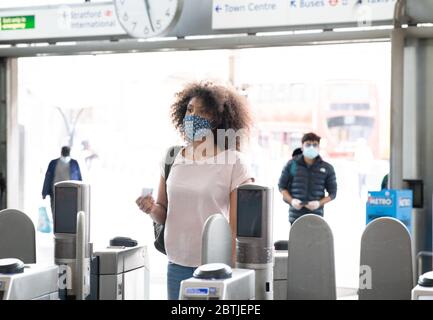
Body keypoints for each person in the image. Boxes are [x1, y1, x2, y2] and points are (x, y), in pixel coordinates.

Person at [135, 81, 254, 300]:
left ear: (218, 119)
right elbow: (163, 212)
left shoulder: (234, 162)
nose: (193, 116)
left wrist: (234, 274)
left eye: (203, 112)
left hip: (215, 268)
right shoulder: (172, 157)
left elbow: (237, 229)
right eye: (189, 110)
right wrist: (151, 208)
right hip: (176, 264)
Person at [278, 132, 337, 224]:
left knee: (315, 238)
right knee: (295, 238)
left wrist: (319, 203)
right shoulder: (292, 165)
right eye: (308, 144)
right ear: (302, 147)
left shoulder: (327, 168)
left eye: (315, 145)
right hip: (295, 217)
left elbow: (333, 193)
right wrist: (292, 201)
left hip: (316, 216)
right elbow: (281, 186)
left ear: (319, 147)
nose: (311, 147)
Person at [42, 146, 82, 214]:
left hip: (71, 193)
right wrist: (44, 192)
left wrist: (81, 192)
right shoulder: (53, 163)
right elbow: (48, 177)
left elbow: (79, 178)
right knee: (56, 212)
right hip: (55, 192)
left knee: (70, 213)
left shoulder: (74, 163)